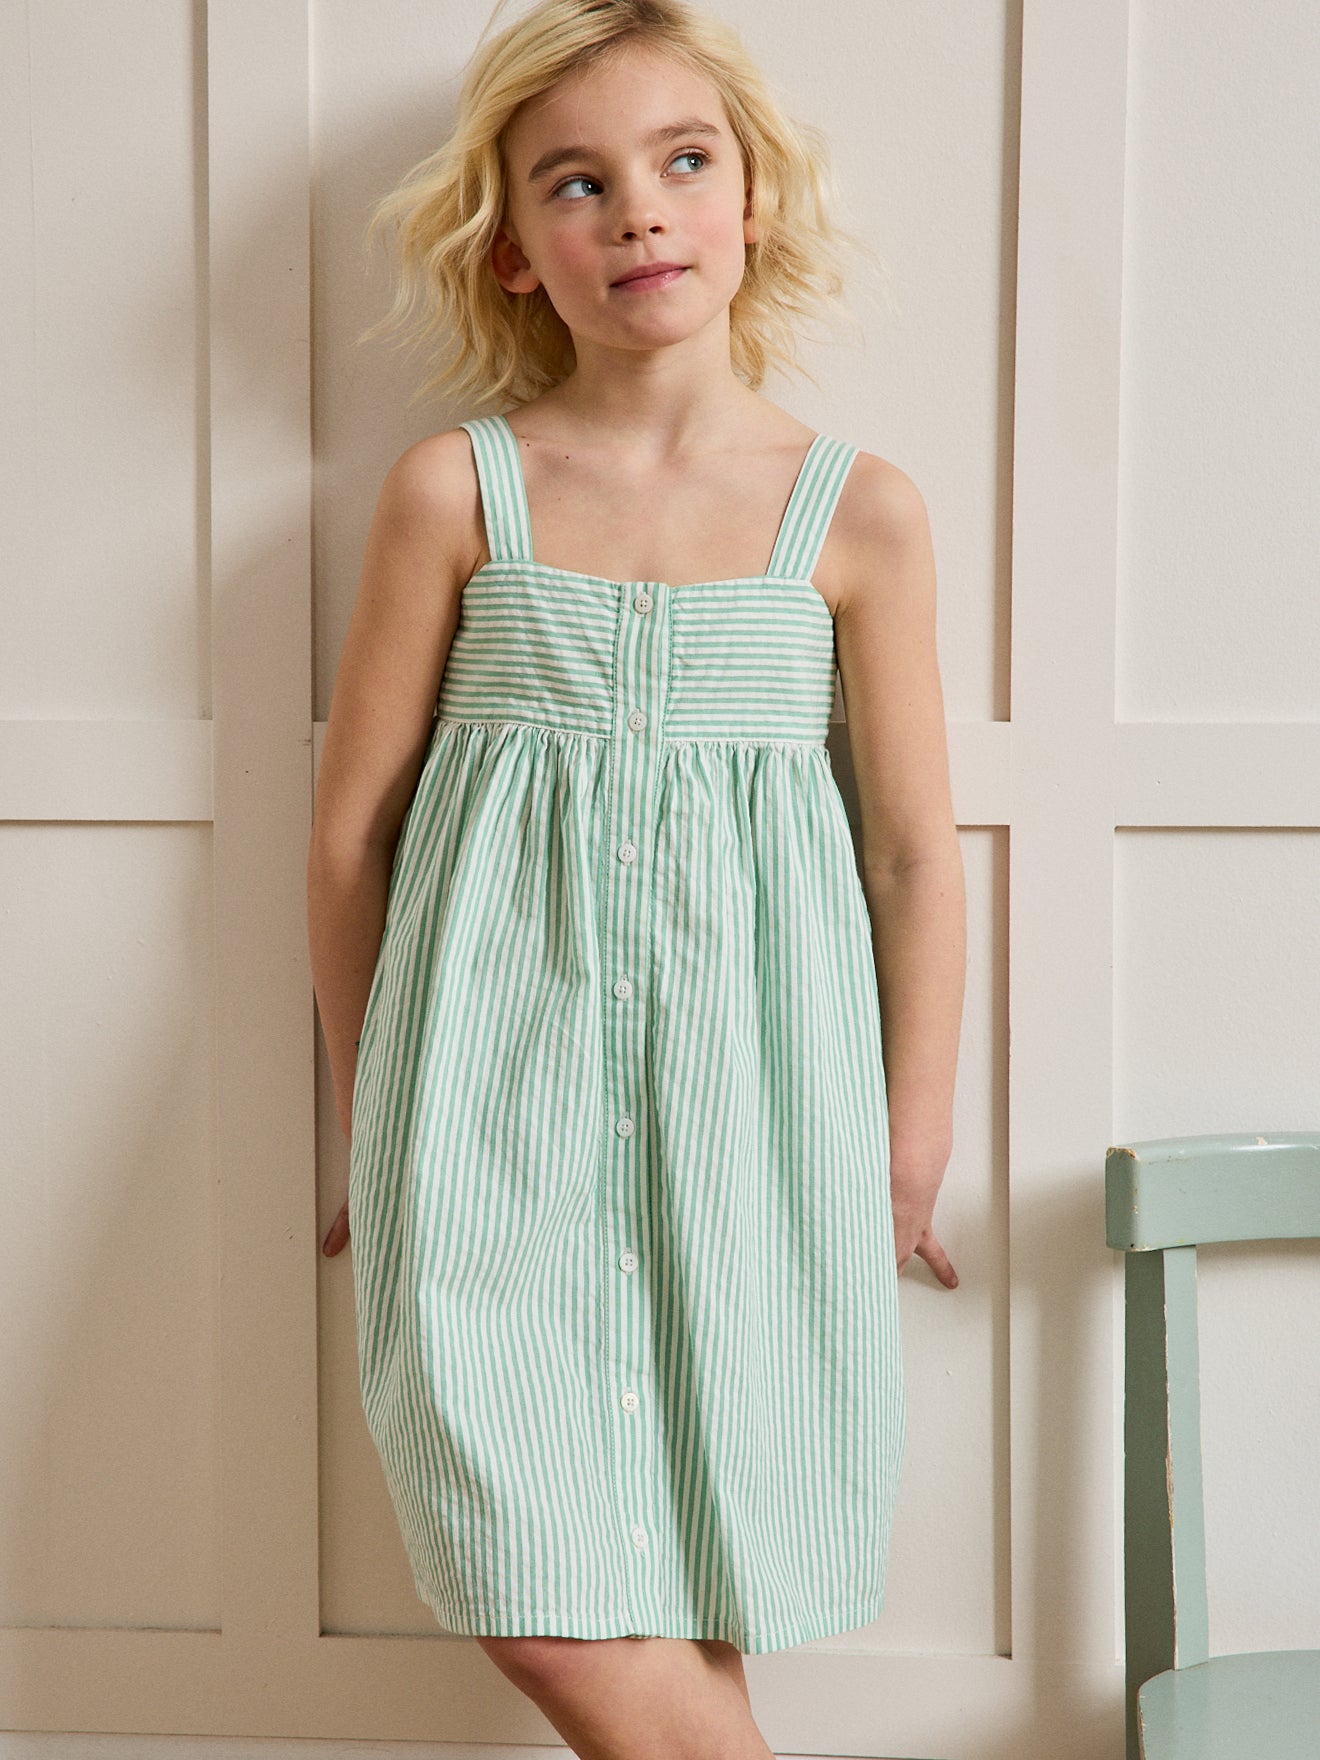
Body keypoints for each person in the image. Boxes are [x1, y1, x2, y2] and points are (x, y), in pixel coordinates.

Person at [307, 0, 965, 1753]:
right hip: (484, 1107)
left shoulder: (859, 513)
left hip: (757, 1111)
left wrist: (907, 1140)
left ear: (754, 198)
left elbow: (912, 855)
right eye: (576, 183)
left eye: (682, 161)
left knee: (698, 1566)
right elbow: (351, 837)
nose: (640, 212)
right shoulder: (457, 493)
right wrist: (378, 1104)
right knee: (544, 1608)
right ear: (514, 249)